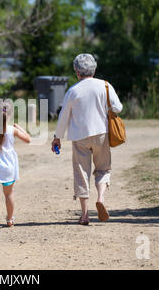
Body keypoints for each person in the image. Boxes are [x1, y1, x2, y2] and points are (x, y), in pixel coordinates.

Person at [52, 54, 122, 225]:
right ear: (94, 69)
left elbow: (63, 116)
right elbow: (118, 107)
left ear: (77, 71)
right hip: (101, 133)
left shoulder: (73, 91)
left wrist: (57, 137)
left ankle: (84, 215)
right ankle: (101, 199)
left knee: (81, 174)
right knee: (103, 169)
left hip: (79, 136)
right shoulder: (105, 85)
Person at [0, 101, 31, 231]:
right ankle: (9, 219)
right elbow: (28, 139)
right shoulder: (12, 130)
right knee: (9, 194)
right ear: (10, 114)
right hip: (9, 166)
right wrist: (19, 127)